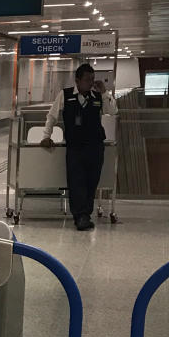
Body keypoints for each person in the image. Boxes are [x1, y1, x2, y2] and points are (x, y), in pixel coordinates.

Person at [41, 61, 117, 230]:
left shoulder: (98, 96)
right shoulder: (65, 95)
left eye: (93, 79)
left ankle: (85, 214)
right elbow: (51, 116)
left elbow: (112, 111)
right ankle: (80, 216)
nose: (91, 83)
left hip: (95, 147)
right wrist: (46, 136)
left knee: (91, 181)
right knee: (76, 181)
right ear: (77, 80)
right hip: (75, 147)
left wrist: (104, 92)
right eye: (88, 80)